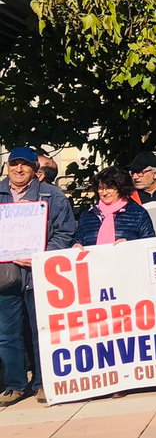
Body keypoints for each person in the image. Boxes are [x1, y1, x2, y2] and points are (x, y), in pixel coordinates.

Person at [0, 147, 76, 406]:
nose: (18, 169)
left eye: (24, 165)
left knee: (41, 330)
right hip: (5, 275)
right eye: (13, 164)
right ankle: (14, 385)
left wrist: (40, 256)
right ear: (7, 167)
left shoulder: (52, 195)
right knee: (7, 333)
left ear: (35, 170)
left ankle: (44, 382)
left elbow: (65, 232)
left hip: (40, 273)